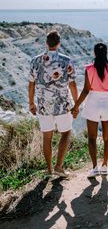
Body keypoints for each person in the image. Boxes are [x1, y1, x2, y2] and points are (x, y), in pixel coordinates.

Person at [28, 30, 78, 177]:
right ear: (59, 44)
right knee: (66, 133)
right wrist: (76, 103)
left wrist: (31, 103)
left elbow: (31, 84)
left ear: (46, 43)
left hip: (43, 105)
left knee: (47, 137)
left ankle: (49, 170)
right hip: (63, 104)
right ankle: (59, 166)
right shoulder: (66, 60)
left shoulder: (36, 61)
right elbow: (73, 84)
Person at [72, 43, 108, 178]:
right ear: (106, 53)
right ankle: (104, 166)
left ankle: (94, 168)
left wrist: (76, 105)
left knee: (92, 138)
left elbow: (86, 90)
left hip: (93, 101)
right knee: (107, 137)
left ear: (94, 53)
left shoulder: (89, 69)